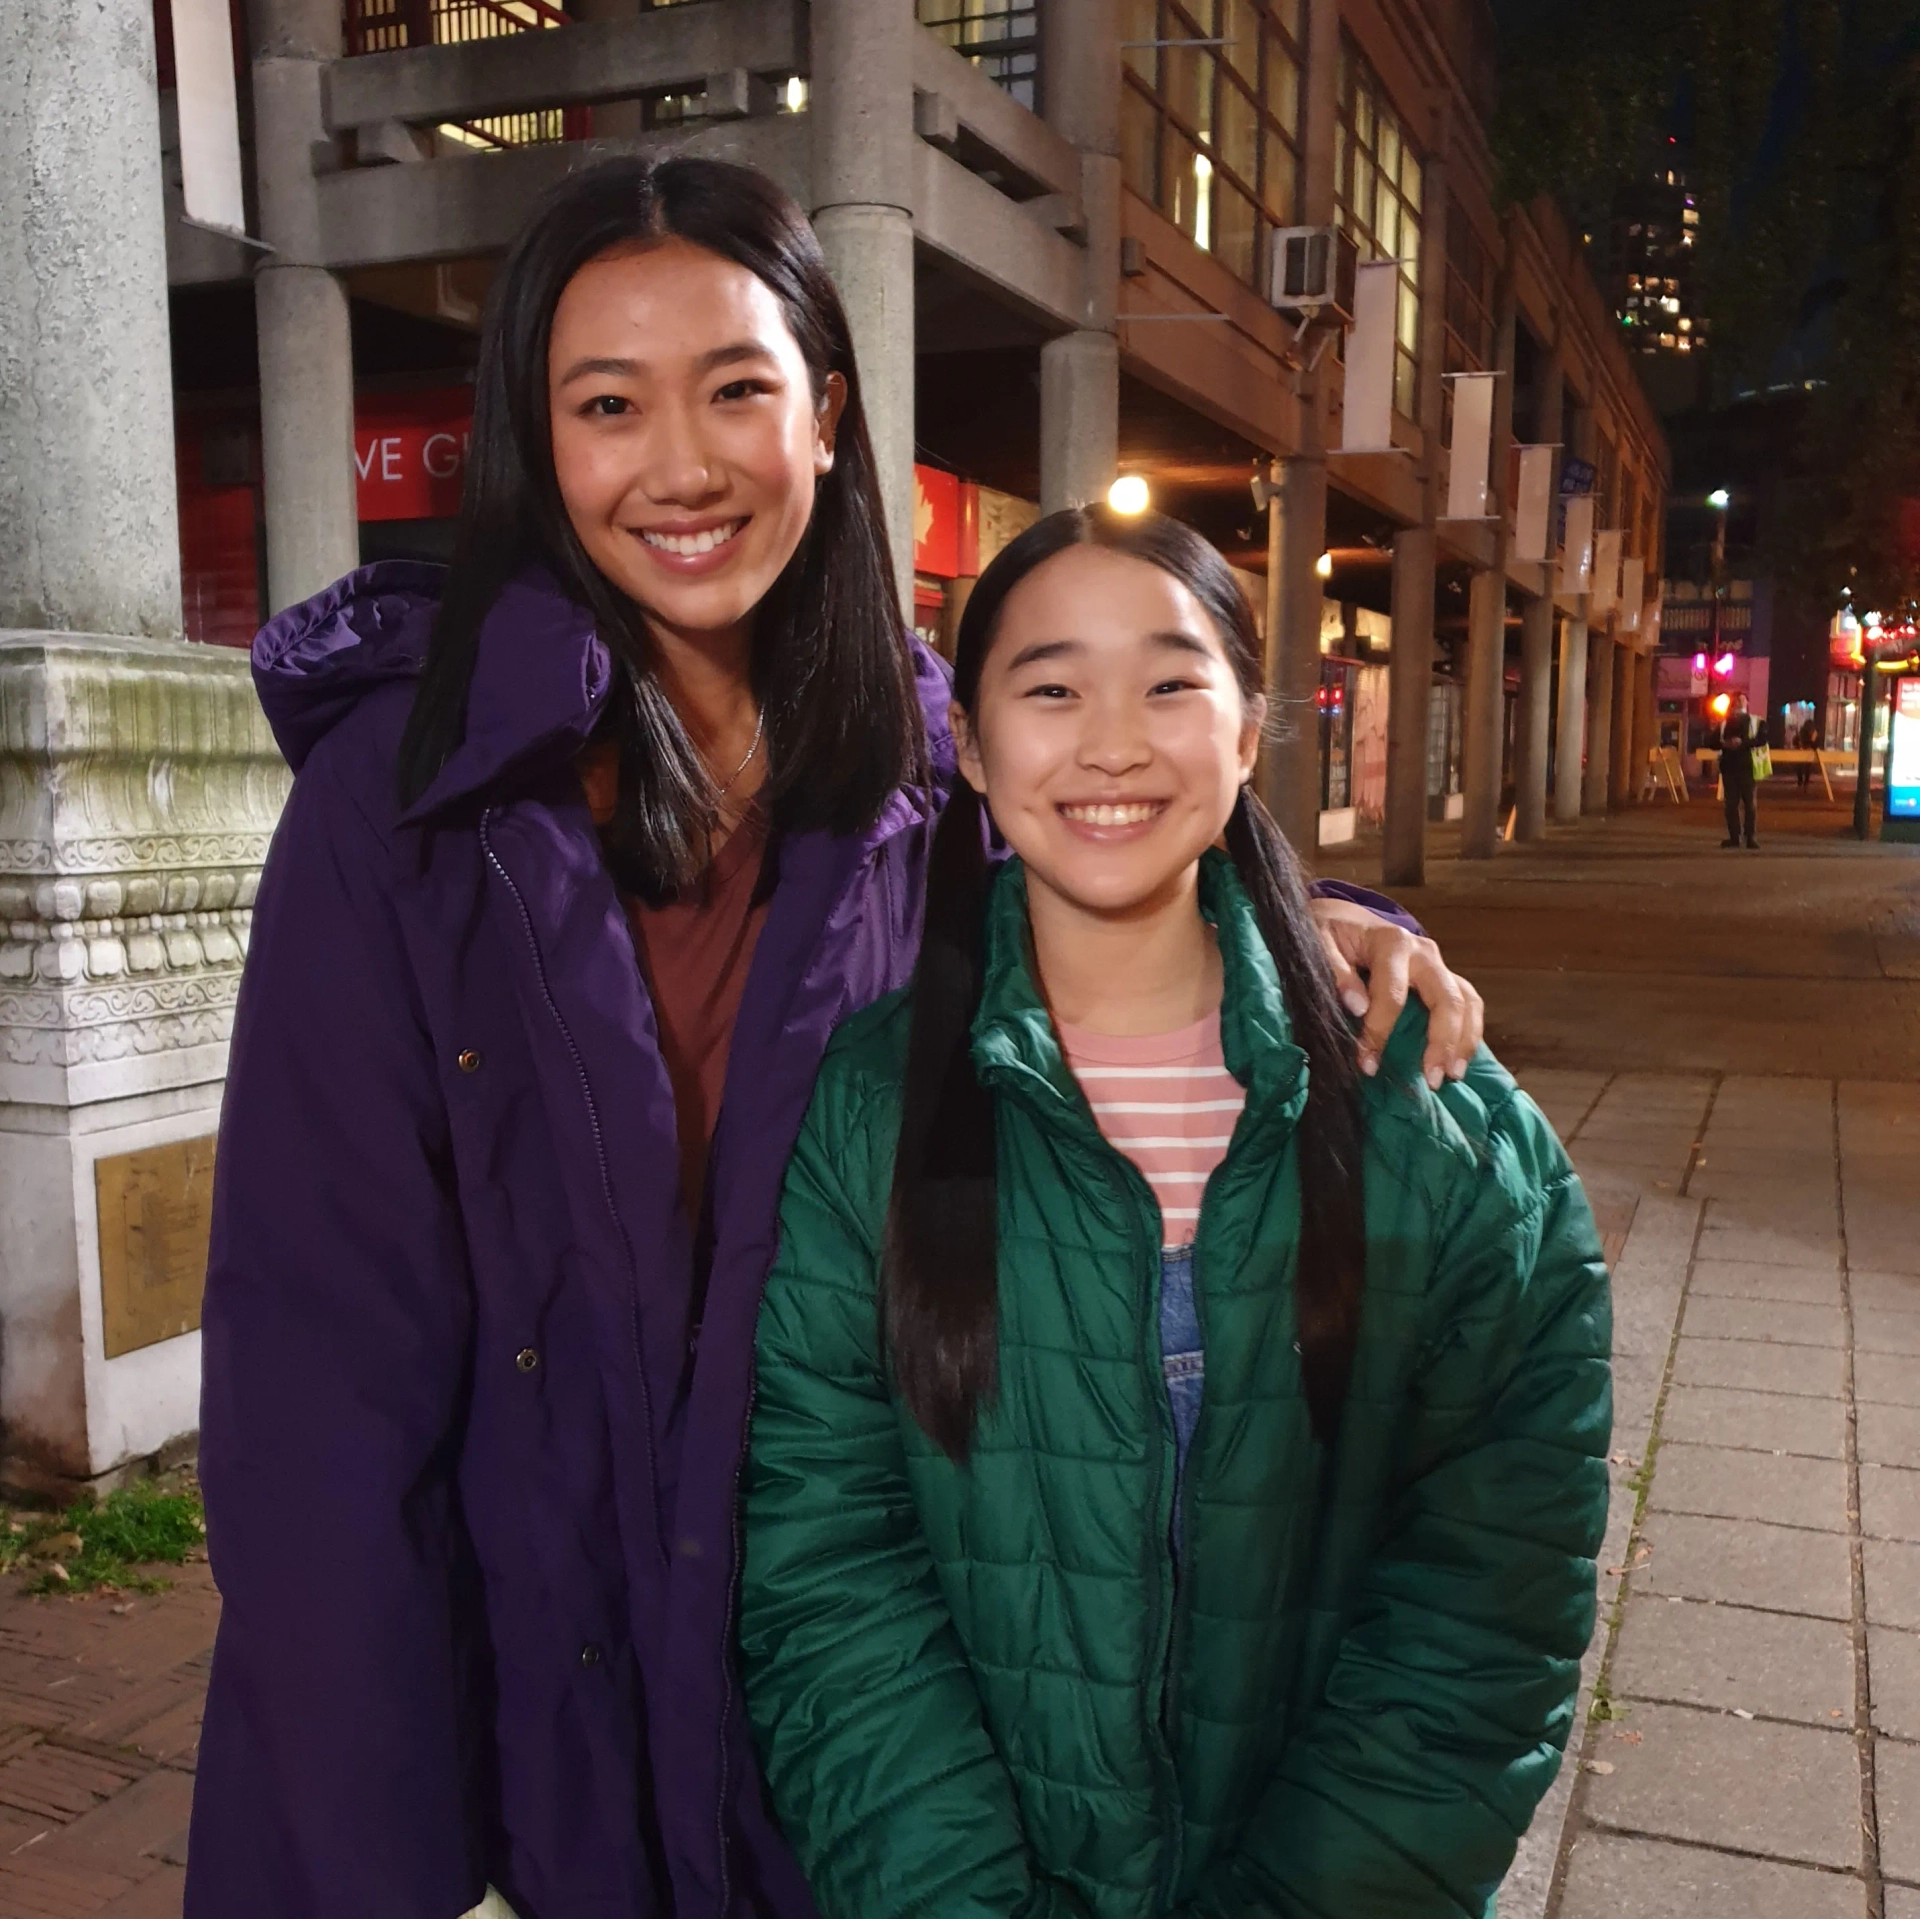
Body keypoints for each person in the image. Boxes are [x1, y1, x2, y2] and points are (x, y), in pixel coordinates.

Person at [186, 158, 1487, 1919]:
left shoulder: (928, 779)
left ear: (827, 417)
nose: (684, 464)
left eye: (738, 388)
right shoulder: (409, 805)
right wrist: (397, 1855)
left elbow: (1130, 861)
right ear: (534, 439)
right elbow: (318, 1375)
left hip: (840, 1701)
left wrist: (1320, 921)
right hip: (519, 1714)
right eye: (608, 405)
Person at [739, 506, 1613, 1919]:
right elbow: (826, 1564)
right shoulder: (869, 1108)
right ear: (969, 744)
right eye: (1050, 686)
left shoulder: (1440, 1113)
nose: (1112, 741)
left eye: (1168, 680)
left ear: (1250, 726)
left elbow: (1488, 1595)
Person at [1718, 688, 1764, 847]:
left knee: (1750, 804)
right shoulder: (1724, 723)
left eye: (1742, 699)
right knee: (1731, 805)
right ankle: (1734, 837)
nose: (1739, 703)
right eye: (1736, 700)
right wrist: (1725, 744)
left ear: (1747, 702)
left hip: (1748, 768)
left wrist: (1742, 743)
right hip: (1729, 769)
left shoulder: (1755, 721)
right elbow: (1711, 741)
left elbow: (1763, 738)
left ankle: (1750, 837)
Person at [1796, 714, 1820, 791]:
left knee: (1802, 767)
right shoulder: (1809, 732)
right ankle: (1804, 782)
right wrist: (1813, 740)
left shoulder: (1803, 731)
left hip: (1803, 750)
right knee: (1806, 768)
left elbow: (1799, 741)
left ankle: (1802, 782)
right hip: (1806, 750)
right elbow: (1813, 744)